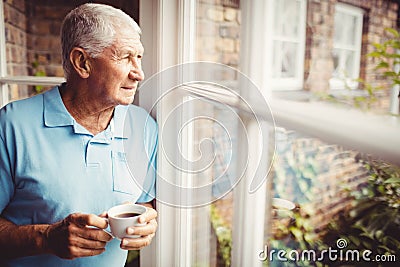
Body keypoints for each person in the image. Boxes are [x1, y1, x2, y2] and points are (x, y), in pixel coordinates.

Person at [0, 3, 158, 266]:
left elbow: (146, 204)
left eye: (139, 57)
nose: (138, 73)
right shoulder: (11, 125)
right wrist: (46, 238)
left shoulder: (143, 127)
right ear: (82, 62)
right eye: (125, 57)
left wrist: (146, 223)